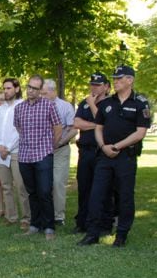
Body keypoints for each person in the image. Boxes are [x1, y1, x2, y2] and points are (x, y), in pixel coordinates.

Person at [79, 65, 151, 247]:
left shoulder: (140, 103)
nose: (116, 82)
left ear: (130, 80)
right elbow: (98, 127)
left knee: (125, 196)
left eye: (119, 79)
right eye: (115, 79)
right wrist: (103, 146)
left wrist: (116, 147)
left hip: (125, 156)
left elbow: (140, 132)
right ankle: (92, 233)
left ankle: (121, 235)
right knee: (97, 194)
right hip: (104, 156)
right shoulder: (107, 103)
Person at [14, 75, 62, 240]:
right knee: (31, 192)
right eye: (29, 87)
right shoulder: (19, 108)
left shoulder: (49, 105)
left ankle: (49, 227)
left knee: (44, 191)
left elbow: (57, 127)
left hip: (43, 154)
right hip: (25, 156)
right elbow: (19, 127)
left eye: (35, 88)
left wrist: (52, 145)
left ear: (41, 90)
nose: (30, 90)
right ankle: (35, 224)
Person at [73, 73, 112, 234]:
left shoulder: (110, 103)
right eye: (92, 84)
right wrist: (96, 125)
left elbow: (107, 124)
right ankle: (82, 222)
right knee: (84, 187)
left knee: (102, 189)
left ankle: (103, 223)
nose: (94, 87)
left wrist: (93, 106)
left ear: (106, 86)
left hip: (101, 152)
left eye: (98, 84)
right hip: (85, 151)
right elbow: (76, 123)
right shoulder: (84, 103)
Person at [0, 78, 31, 229]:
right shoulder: (0, 109)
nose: (6, 91)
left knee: (21, 186)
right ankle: (10, 216)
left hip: (17, 152)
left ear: (17, 89)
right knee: (6, 186)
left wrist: (7, 148)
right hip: (0, 152)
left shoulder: (23, 106)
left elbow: (21, 131)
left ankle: (26, 218)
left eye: (8, 88)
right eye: (4, 88)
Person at [40, 79, 76, 226]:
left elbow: (74, 128)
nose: (41, 96)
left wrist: (59, 142)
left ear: (53, 91)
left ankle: (58, 216)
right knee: (43, 183)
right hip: (42, 150)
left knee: (58, 182)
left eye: (44, 93)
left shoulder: (65, 106)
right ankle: (44, 214)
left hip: (60, 150)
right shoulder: (39, 106)